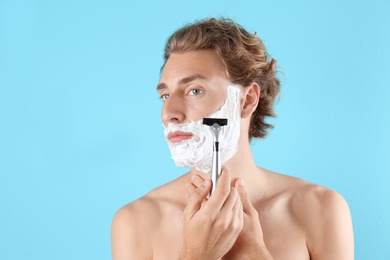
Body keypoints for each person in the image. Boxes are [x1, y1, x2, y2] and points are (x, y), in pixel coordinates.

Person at [111, 17, 354, 259]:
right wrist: (198, 254)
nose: (169, 114)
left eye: (194, 90)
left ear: (247, 100)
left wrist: (254, 251)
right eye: (165, 95)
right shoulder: (137, 221)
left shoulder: (320, 209)